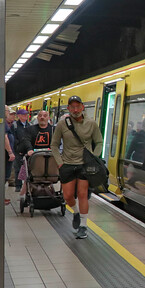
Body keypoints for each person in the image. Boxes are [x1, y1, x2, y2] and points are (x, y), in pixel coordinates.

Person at [50, 96, 103, 239]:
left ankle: (84, 226)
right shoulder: (62, 124)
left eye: (78, 106)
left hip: (85, 165)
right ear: (68, 108)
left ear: (82, 107)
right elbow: (54, 145)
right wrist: (60, 162)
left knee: (82, 194)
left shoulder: (92, 124)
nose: (75, 109)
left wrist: (94, 158)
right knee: (67, 196)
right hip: (67, 164)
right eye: (72, 107)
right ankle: (76, 212)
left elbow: (99, 142)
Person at [16, 110, 54, 206]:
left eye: (45, 116)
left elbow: (56, 142)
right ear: (37, 118)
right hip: (33, 159)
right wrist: (29, 149)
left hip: (50, 160)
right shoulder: (30, 129)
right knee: (28, 177)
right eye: (40, 115)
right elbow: (26, 139)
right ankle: (22, 194)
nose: (42, 117)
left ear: (48, 118)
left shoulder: (53, 130)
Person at [11, 108, 31, 191]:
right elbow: (13, 138)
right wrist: (18, 148)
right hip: (18, 151)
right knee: (18, 169)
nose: (25, 116)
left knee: (28, 168)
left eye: (26, 114)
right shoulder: (14, 126)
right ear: (18, 116)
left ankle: (27, 186)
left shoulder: (29, 125)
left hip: (27, 150)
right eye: (23, 115)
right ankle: (18, 186)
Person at [3, 109, 16, 204]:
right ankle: (1, 197)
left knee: (5, 176)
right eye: (8, 111)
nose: (9, 113)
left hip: (7, 154)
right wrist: (10, 152)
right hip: (6, 154)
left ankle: (2, 197)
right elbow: (5, 138)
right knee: (4, 176)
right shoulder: (3, 124)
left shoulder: (4, 123)